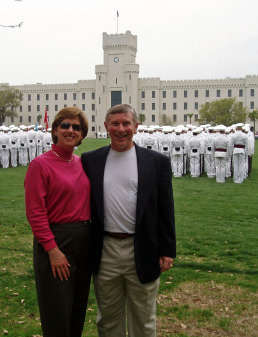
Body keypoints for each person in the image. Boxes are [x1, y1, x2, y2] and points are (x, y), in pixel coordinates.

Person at [81, 104, 176, 337]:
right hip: (105, 250)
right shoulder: (90, 160)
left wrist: (167, 249)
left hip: (143, 248)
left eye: (126, 123)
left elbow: (165, 209)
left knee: (143, 321)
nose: (120, 129)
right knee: (108, 321)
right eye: (115, 124)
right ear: (106, 127)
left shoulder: (156, 162)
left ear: (136, 126)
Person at [24, 106, 91, 337]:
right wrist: (52, 249)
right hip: (56, 241)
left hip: (83, 242)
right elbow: (35, 212)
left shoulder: (82, 163)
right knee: (57, 312)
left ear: (82, 134)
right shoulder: (40, 164)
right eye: (65, 125)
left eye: (76, 127)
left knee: (77, 309)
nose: (70, 130)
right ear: (55, 130)